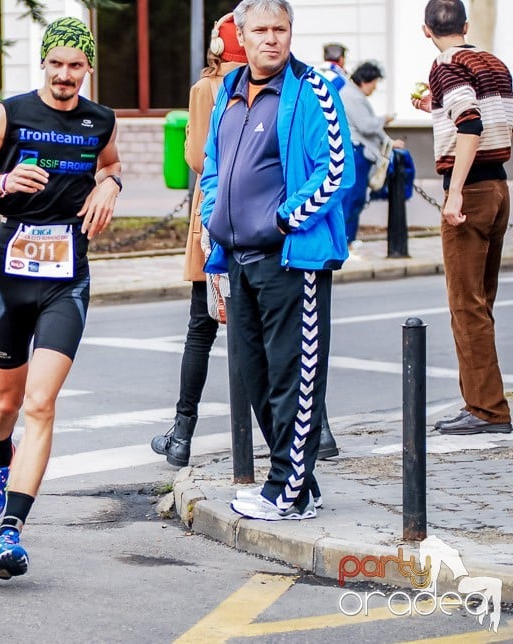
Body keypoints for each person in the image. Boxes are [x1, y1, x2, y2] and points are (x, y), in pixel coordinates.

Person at [0, 17, 121, 578]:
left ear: (87, 68)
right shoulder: (10, 114)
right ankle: (1, 459)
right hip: (12, 275)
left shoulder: (101, 121)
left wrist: (109, 185)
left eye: (76, 65)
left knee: (41, 404)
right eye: (57, 64)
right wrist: (3, 182)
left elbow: (112, 164)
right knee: (6, 405)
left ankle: (10, 536)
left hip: (68, 277)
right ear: (43, 64)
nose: (66, 75)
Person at [200, 0, 355, 520]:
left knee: (296, 376)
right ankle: (294, 484)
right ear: (242, 35)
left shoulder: (313, 91)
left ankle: (287, 492)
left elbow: (336, 171)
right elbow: (214, 167)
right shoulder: (229, 89)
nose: (271, 38)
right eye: (261, 30)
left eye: (280, 29)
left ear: (292, 32)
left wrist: (285, 219)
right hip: (238, 256)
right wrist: (210, 220)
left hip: (291, 258)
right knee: (255, 374)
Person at [149, 13, 245, 467]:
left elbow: (196, 155)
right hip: (264, 218)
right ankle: (316, 431)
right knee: (271, 328)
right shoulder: (277, 84)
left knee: (200, 328)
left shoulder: (207, 88)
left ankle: (183, 434)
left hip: (213, 220)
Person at [412, 0, 513, 435]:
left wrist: (453, 195)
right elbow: (488, 117)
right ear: (466, 25)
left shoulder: (445, 64)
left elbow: (470, 123)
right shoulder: (492, 62)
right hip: (499, 187)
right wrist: (436, 111)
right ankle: (483, 403)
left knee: (465, 305)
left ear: (426, 30)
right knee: (481, 302)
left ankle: (487, 410)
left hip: (469, 190)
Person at [340, 61, 405, 251]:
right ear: (365, 80)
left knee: (355, 197)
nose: (375, 88)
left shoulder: (352, 94)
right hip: (356, 151)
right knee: (353, 196)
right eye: (374, 83)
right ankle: (346, 241)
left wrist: (389, 141)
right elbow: (367, 126)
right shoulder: (351, 96)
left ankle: (348, 239)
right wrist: (385, 119)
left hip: (357, 150)